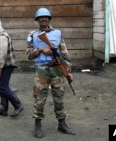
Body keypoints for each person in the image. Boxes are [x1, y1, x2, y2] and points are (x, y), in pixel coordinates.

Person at [26, 7, 76, 138]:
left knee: (59, 97)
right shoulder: (32, 35)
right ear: (37, 20)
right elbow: (28, 55)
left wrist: (68, 71)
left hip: (57, 69)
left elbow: (65, 54)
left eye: (46, 17)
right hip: (41, 70)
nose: (44, 20)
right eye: (41, 18)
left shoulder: (58, 33)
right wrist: (40, 50)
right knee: (39, 98)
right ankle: (37, 125)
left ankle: (62, 124)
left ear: (49, 19)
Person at [0, 17, 24, 117]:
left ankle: (18, 105)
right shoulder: (0, 36)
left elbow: (2, 54)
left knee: (3, 87)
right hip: (4, 65)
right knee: (1, 86)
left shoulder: (2, 37)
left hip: (6, 66)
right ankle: (3, 109)